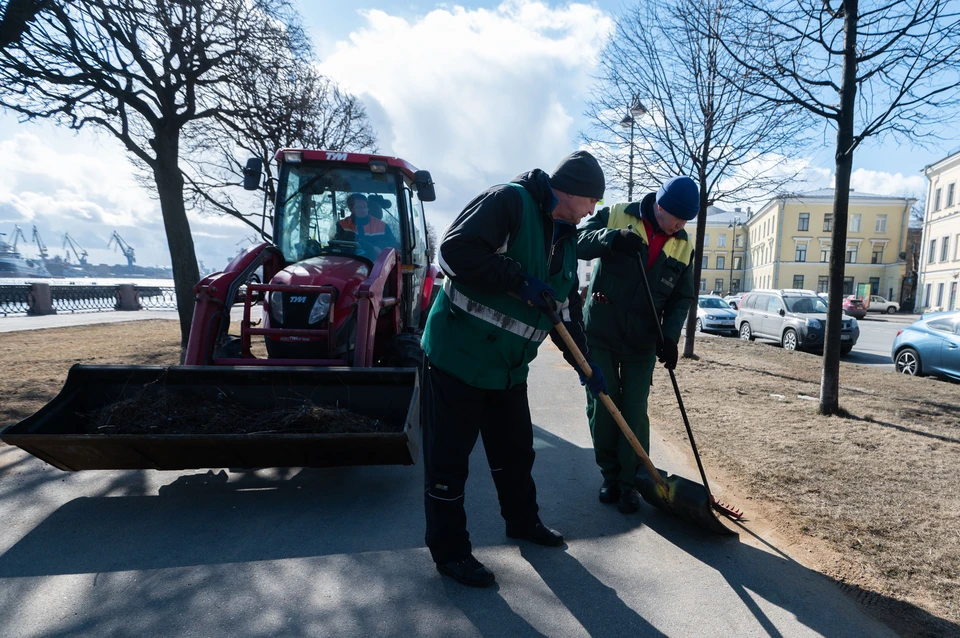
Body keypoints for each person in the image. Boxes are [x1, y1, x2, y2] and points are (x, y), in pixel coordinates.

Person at [420, 150, 608, 588]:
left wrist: (585, 362)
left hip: (507, 369)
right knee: (449, 463)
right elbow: (453, 251)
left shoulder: (566, 239)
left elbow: (563, 309)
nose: (592, 211)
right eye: (591, 201)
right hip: (458, 358)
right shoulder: (510, 201)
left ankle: (523, 522)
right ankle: (450, 553)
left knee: (516, 454)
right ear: (572, 192)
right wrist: (517, 279)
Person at [576, 176, 698, 514]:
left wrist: (670, 337)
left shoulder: (684, 244)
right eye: (677, 217)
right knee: (603, 404)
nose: (680, 225)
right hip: (599, 329)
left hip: (643, 339)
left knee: (633, 408)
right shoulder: (617, 214)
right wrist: (612, 239)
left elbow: (681, 297)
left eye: (687, 220)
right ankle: (611, 477)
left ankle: (631, 483)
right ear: (660, 206)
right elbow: (577, 241)